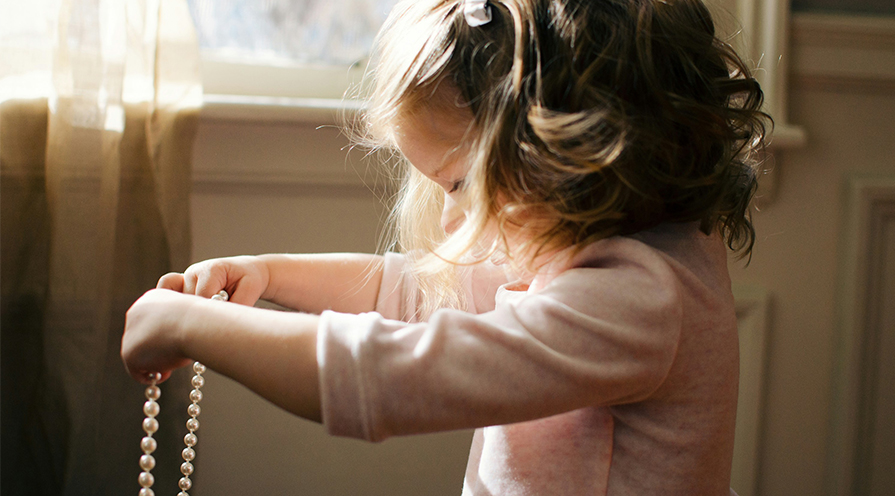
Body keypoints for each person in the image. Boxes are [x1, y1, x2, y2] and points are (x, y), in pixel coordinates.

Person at [121, 0, 768, 494]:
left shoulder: (637, 298)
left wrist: (191, 326)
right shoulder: (592, 247)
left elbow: (387, 376)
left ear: (570, 149)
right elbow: (411, 289)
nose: (456, 210)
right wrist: (265, 275)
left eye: (461, 183)